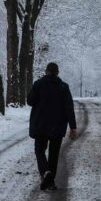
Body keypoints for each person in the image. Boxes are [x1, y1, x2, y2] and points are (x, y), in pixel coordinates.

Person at [27, 61, 77, 190]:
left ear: (46, 72)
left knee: (39, 150)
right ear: (58, 73)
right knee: (54, 154)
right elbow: (69, 108)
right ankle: (51, 181)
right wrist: (73, 126)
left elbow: (30, 101)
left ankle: (45, 172)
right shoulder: (63, 87)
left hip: (40, 125)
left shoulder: (38, 84)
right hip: (58, 125)